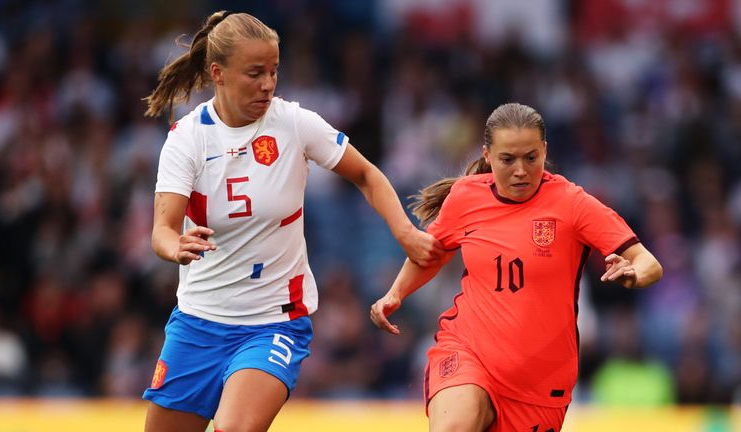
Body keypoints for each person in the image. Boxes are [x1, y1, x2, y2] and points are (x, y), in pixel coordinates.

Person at [141, 11, 443, 432]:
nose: (268, 83)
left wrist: (405, 231)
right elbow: (162, 229)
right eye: (254, 73)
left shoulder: (294, 123)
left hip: (273, 321)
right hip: (198, 322)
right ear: (218, 74)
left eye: (273, 71)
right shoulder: (187, 138)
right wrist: (175, 246)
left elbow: (366, 174)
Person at [370, 102, 663, 432]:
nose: (520, 170)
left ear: (544, 151)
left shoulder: (572, 203)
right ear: (488, 155)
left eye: (531, 157)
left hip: (540, 383)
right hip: (469, 350)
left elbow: (648, 262)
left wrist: (634, 274)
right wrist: (395, 294)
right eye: (508, 159)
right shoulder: (465, 197)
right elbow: (431, 253)